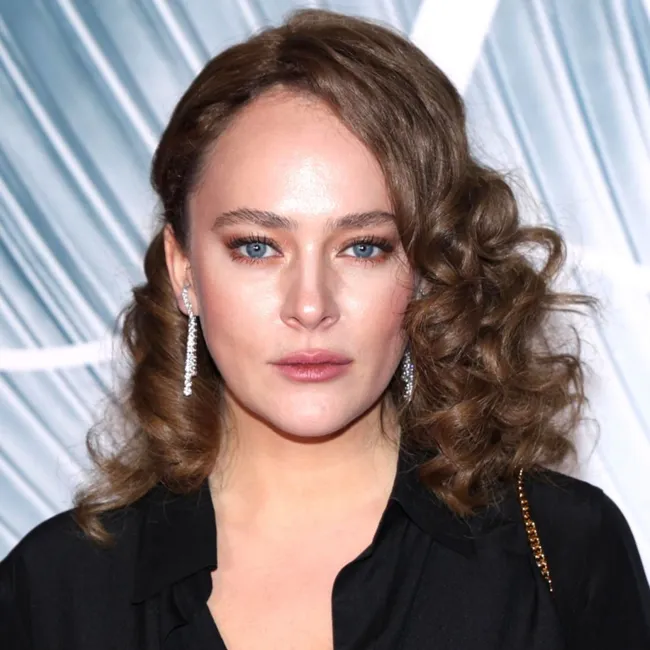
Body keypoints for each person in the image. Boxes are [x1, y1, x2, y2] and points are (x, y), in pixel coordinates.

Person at [1, 8, 649, 650]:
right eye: (257, 247)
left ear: (427, 268)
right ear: (184, 270)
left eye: (364, 247)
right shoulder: (53, 594)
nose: (310, 306)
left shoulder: (563, 550)